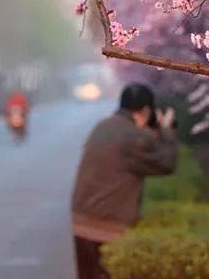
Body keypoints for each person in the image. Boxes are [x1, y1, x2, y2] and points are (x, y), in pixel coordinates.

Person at [70, 83, 177, 279]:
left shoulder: (103, 126)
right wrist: (166, 131)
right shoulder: (134, 137)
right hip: (107, 229)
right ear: (146, 111)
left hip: (81, 222)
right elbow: (167, 164)